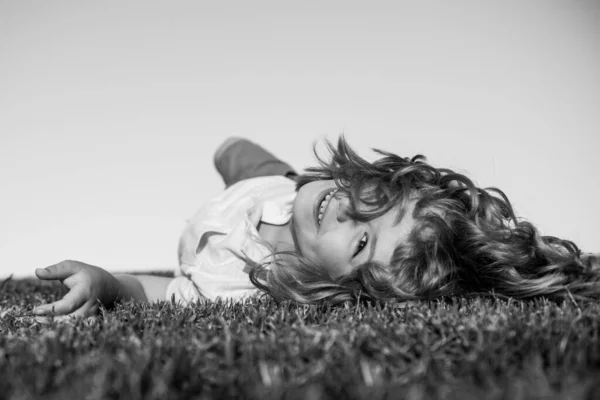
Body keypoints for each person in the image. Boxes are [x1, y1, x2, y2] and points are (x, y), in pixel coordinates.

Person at [32, 136, 599, 318]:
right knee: (240, 154)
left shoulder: (238, 288)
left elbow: (155, 291)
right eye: (376, 198)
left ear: (344, 285)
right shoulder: (315, 196)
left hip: (222, 226)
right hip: (269, 186)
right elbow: (333, 200)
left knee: (258, 176)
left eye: (361, 240)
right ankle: (256, 160)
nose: (353, 210)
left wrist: (107, 283)